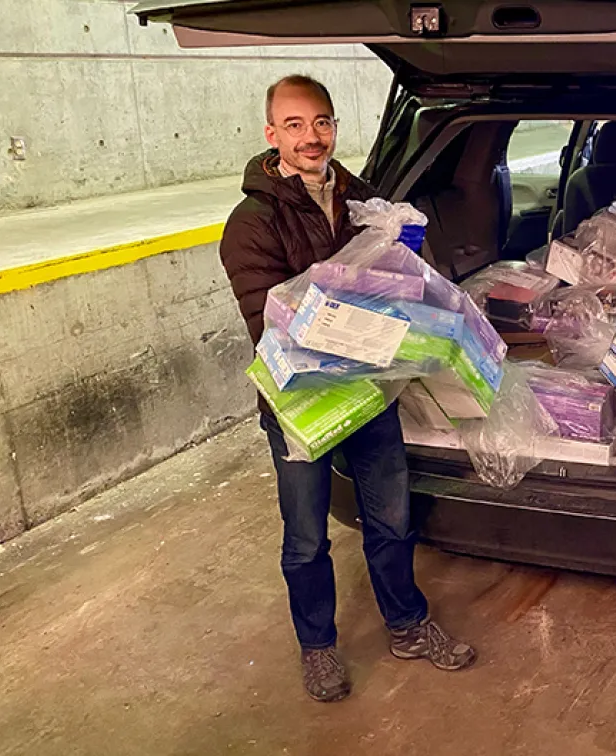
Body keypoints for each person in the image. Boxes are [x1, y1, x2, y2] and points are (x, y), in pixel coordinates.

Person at [218, 74, 476, 703]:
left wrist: (415, 279)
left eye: (323, 122)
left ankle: (408, 626)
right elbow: (273, 322)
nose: (313, 137)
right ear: (272, 133)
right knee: (306, 536)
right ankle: (318, 647)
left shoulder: (366, 203)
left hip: (372, 395)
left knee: (391, 518)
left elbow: (403, 282)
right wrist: (367, 313)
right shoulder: (252, 222)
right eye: (297, 125)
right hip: (299, 401)